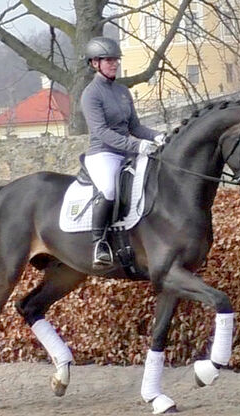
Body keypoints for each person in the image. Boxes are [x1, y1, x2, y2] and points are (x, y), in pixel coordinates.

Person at [81, 36, 164, 269]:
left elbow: (135, 127)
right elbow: (101, 132)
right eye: (109, 60)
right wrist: (136, 146)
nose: (115, 64)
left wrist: (158, 136)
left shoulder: (122, 91)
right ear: (95, 63)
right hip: (103, 154)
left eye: (116, 59)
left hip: (127, 153)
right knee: (108, 190)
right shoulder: (91, 94)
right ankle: (100, 243)